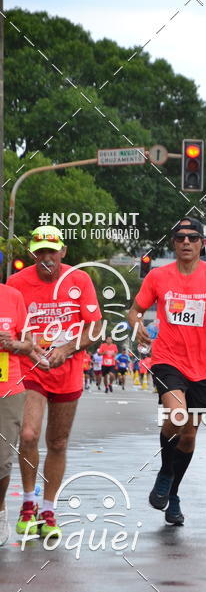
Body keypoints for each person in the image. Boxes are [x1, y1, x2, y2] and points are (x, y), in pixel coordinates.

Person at [127, 217, 206, 525]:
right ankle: (165, 472)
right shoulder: (158, 276)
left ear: (202, 244)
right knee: (176, 417)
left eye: (192, 237)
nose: (186, 242)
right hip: (167, 360)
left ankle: (174, 493)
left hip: (202, 366)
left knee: (189, 436)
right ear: (173, 243)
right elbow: (135, 311)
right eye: (180, 237)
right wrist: (137, 326)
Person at [7, 225, 102, 539]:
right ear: (33, 253)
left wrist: (67, 348)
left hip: (67, 370)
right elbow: (11, 328)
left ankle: (49, 509)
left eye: (52, 250)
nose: (46, 256)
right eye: (40, 250)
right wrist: (27, 346)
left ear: (63, 251)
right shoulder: (17, 284)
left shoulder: (79, 280)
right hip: (30, 368)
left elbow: (94, 328)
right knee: (29, 434)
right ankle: (28, 503)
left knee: (58, 443)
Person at [0, 283, 33, 545]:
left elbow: (28, 343)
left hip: (7, 389)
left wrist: (13, 343)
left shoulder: (13, 297)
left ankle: (0, 513)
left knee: (1, 459)